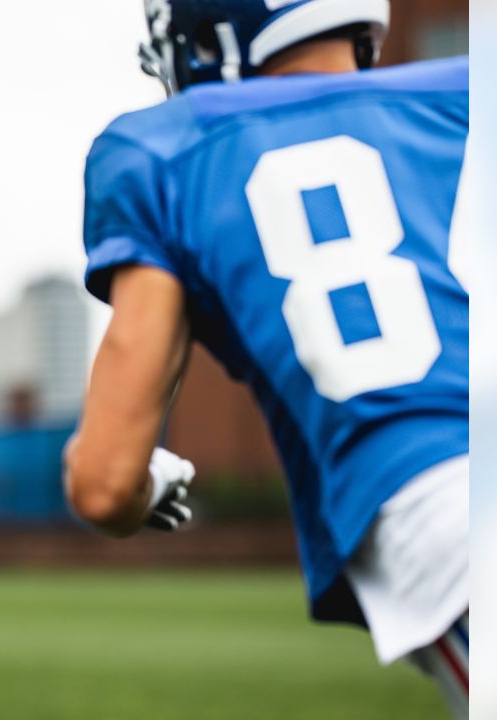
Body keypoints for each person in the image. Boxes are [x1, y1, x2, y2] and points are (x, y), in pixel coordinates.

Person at [63, 1, 468, 716]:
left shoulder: (165, 150)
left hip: (443, 514)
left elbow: (102, 482)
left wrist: (143, 486)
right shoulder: (482, 96)